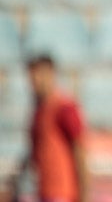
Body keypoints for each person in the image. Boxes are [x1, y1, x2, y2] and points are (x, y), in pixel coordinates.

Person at [3, 54, 89, 202]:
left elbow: (80, 151)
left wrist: (84, 194)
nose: (34, 81)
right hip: (44, 191)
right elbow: (34, 150)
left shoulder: (64, 108)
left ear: (51, 74)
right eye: (31, 77)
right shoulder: (39, 112)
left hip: (63, 192)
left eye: (38, 75)